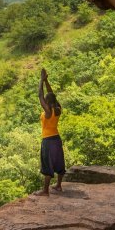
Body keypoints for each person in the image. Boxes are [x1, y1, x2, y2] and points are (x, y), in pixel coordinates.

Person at [36, 68, 66, 196]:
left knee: (47, 164)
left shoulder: (48, 113)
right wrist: (47, 81)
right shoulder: (58, 109)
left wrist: (41, 81)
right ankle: (58, 186)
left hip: (48, 141)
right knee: (59, 161)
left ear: (47, 103)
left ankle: (45, 191)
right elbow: (51, 93)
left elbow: (40, 95)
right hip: (57, 139)